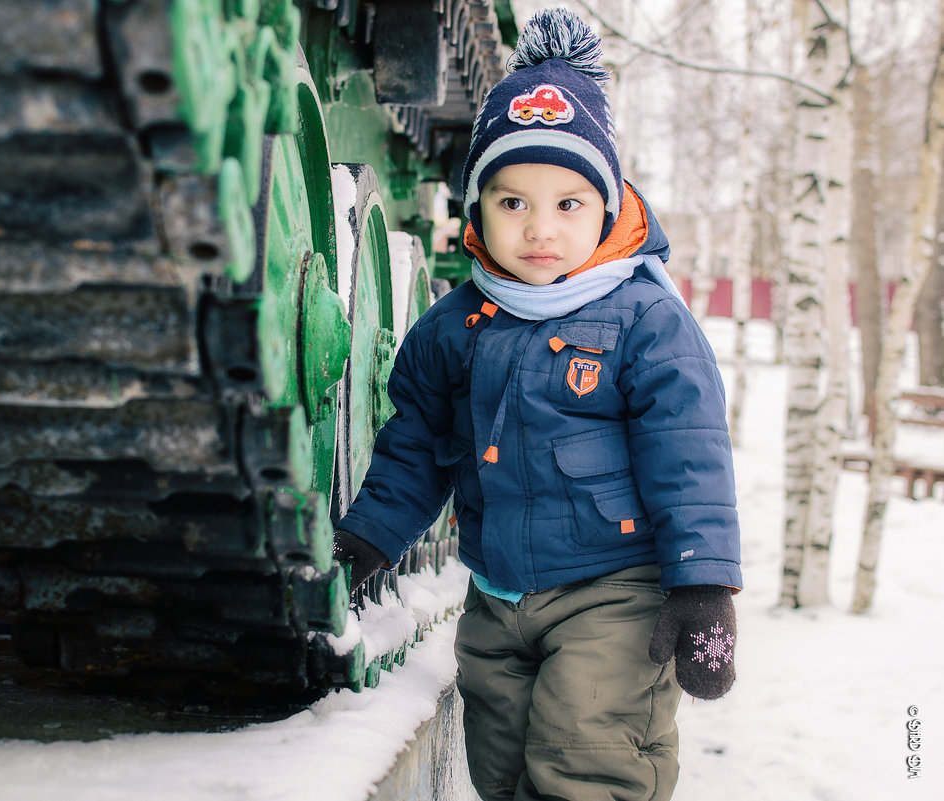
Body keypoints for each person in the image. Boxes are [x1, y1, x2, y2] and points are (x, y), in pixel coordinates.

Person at [332, 8, 741, 801]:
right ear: (477, 208)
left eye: (566, 203)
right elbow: (417, 445)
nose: (539, 229)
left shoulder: (645, 319)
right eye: (511, 202)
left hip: (615, 591)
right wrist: (371, 538)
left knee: (586, 754)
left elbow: (689, 453)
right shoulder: (454, 326)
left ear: (609, 207)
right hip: (498, 596)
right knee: (503, 760)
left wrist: (703, 585)